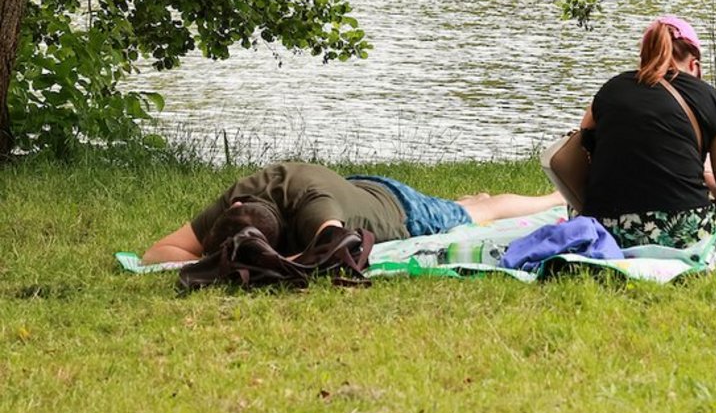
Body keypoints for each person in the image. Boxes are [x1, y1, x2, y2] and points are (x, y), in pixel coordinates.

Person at [579, 14, 716, 249]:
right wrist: (706, 177)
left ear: (644, 58)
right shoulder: (711, 98)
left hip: (602, 229)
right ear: (694, 66)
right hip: (680, 231)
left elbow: (584, 147)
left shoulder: (608, 92)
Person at [143, 160, 564, 263]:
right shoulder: (239, 203)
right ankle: (467, 200)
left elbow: (338, 251)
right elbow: (156, 253)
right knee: (462, 205)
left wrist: (278, 264)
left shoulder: (314, 214)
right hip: (350, 187)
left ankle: (551, 199)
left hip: (400, 210)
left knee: (478, 213)